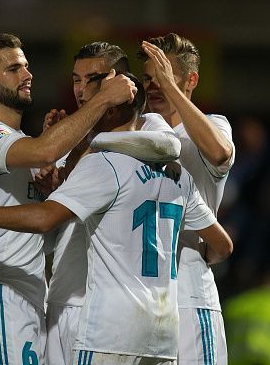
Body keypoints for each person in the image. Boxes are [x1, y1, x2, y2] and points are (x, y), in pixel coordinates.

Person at [0, 71, 233, 365]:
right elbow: (223, 245)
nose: (86, 111)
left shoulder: (105, 164)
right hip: (162, 335)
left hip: (110, 332)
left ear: (111, 109)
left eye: (94, 103)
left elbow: (44, 218)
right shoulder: (178, 174)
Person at [0, 33, 137, 364]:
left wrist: (56, 185)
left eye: (26, 67)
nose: (27, 75)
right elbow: (46, 150)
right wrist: (103, 100)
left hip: (25, 291)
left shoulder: (17, 144)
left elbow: (44, 234)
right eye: (13, 69)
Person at [45, 41, 181, 365]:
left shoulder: (147, 126)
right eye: (76, 79)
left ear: (119, 81)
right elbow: (52, 227)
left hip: (104, 311)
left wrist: (88, 144)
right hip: (64, 296)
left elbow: (170, 145)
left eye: (92, 79)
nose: (81, 89)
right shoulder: (72, 138)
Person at [137, 32, 236, 365]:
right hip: (141, 299)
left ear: (190, 80)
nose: (154, 86)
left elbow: (221, 153)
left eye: (164, 76)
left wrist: (172, 89)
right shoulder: (137, 137)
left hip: (190, 294)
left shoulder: (213, 126)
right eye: (149, 78)